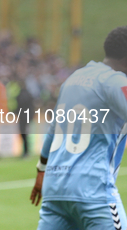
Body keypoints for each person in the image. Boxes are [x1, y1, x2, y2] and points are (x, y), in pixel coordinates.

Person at [30, 25, 127, 229]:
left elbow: (52, 131)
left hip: (55, 189)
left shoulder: (73, 79)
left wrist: (41, 172)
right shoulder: (115, 81)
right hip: (93, 192)